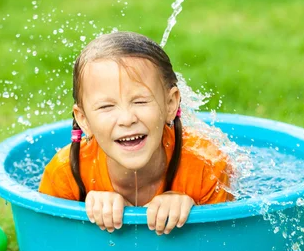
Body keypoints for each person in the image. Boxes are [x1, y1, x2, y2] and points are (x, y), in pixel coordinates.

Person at [39, 32, 232, 234]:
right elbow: (46, 237)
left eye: (140, 101)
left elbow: (228, 240)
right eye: (106, 106)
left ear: (170, 103)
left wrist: (193, 210)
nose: (127, 119)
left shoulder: (207, 166)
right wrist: (84, 208)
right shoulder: (66, 173)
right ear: (84, 119)